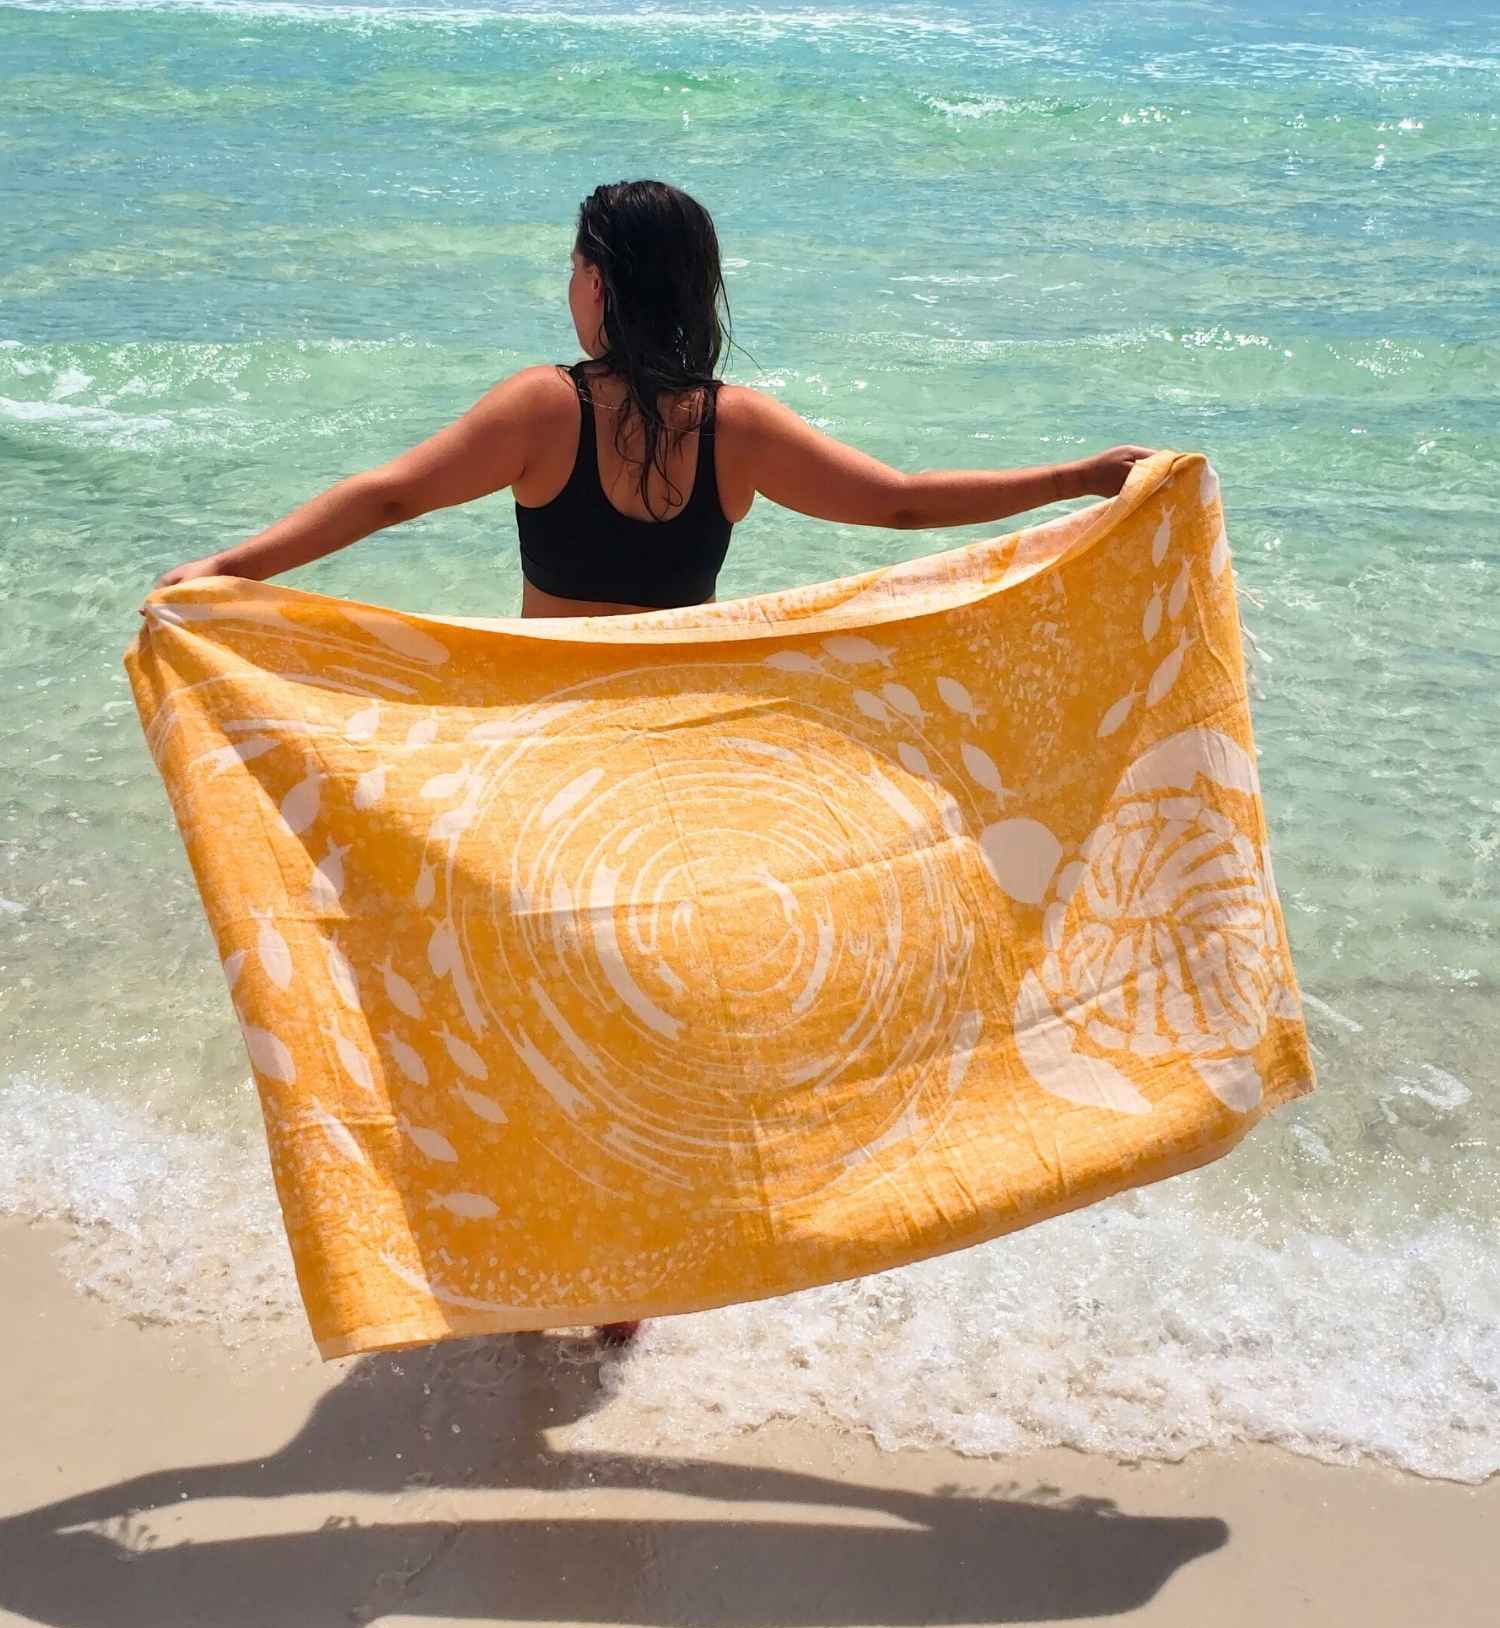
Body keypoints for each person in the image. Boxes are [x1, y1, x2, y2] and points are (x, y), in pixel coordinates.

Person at [156, 179, 1155, 1343]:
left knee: (529, 1017)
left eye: (575, 264)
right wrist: (1072, 481)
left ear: (603, 281)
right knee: (647, 1026)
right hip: (672, 790)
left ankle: (535, 1261)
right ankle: (633, 1285)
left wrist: (232, 572)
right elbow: (897, 507)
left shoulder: (542, 410)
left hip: (541, 780)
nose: (567, 286)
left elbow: (384, 498)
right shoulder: (738, 427)